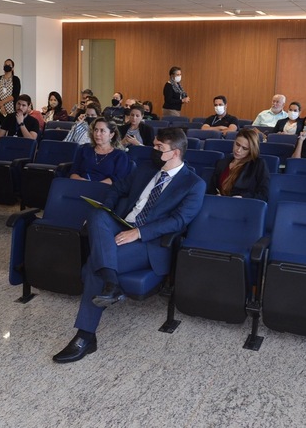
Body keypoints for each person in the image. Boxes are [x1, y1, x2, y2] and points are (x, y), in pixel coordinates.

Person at [53, 128, 205, 363]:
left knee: (95, 265)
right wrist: (108, 210)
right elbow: (117, 188)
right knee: (97, 215)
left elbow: (179, 221)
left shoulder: (193, 184)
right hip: (122, 225)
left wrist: (139, 232)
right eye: (154, 145)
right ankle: (112, 283)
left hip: (150, 242)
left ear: (175, 152)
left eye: (159, 148)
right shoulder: (145, 169)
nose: (153, 151)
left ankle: (85, 336)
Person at [207, 128, 270, 200]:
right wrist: (215, 195)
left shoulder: (258, 164)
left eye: (245, 148)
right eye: (237, 144)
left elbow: (263, 195)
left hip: (244, 204)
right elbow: (211, 188)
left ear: (251, 150)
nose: (238, 150)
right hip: (219, 202)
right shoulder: (221, 163)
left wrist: (244, 198)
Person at [69, 117, 129, 184]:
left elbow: (117, 179)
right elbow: (73, 173)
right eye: (96, 130)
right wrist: (83, 182)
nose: (97, 134)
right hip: (79, 185)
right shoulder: (84, 148)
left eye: (102, 131)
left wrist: (94, 186)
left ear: (111, 135)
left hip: (104, 188)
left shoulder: (120, 155)